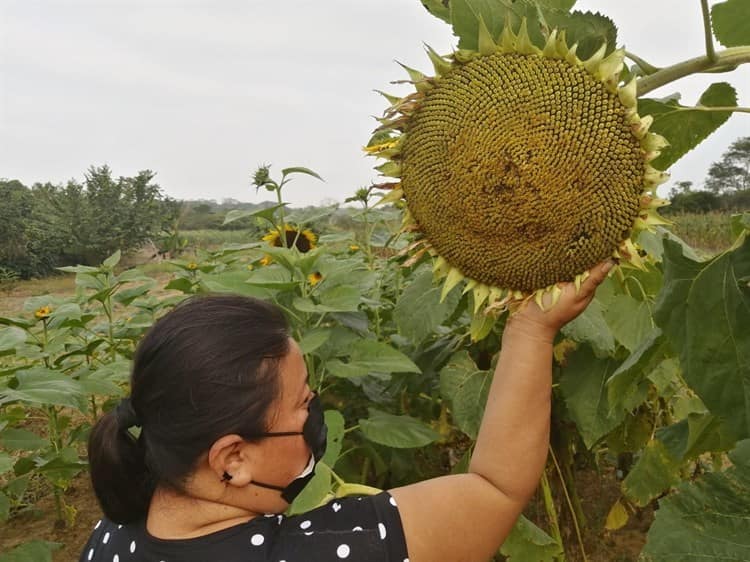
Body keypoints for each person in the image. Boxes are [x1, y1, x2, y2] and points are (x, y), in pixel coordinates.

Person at [80, 260, 613, 562]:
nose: (316, 415)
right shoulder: (330, 553)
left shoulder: (109, 539)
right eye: (303, 404)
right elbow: (494, 489)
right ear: (233, 459)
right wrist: (531, 328)